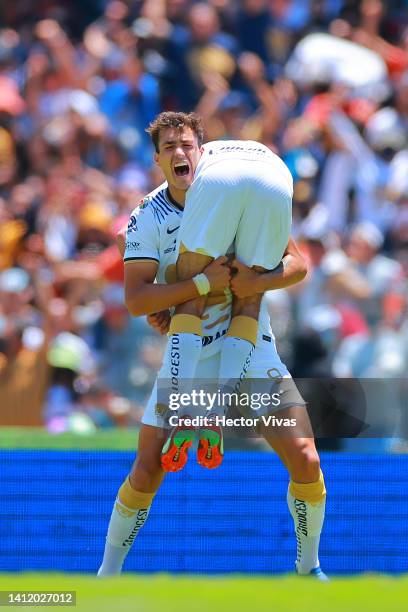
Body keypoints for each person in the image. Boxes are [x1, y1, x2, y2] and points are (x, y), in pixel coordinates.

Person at [98, 112, 327, 581]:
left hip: (252, 343)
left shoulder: (237, 194)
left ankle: (308, 569)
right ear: (158, 160)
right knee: (148, 467)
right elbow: (137, 299)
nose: (180, 153)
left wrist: (258, 279)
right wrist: (201, 283)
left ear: (202, 149)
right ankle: (107, 574)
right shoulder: (147, 217)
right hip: (191, 348)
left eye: (187, 144)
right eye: (169, 148)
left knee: (305, 457)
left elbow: (299, 266)